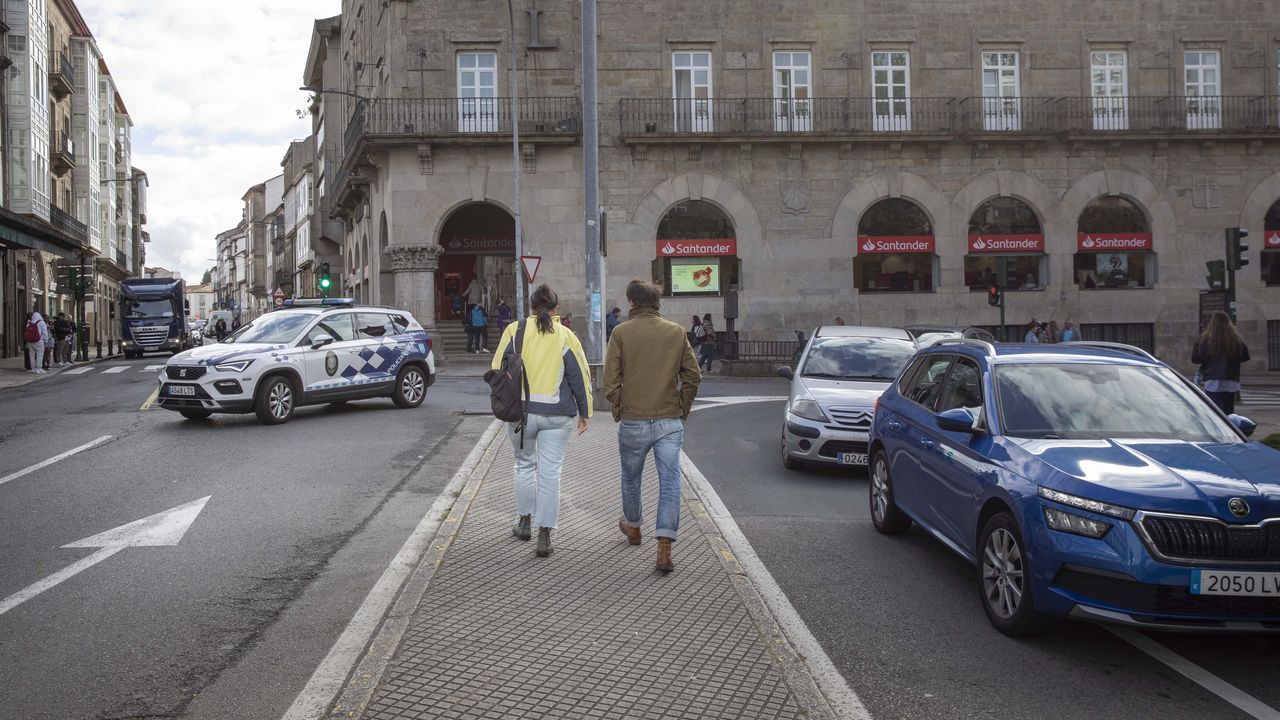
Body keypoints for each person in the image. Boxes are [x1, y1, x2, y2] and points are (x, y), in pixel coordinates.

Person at [605, 279, 702, 573]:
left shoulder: (620, 332)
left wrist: (619, 408)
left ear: (632, 303)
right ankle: (664, 548)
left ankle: (633, 529)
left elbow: (610, 382)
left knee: (631, 479)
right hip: (668, 421)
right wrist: (682, 408)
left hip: (633, 420)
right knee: (670, 482)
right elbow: (693, 376)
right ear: (657, 304)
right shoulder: (675, 332)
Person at [492, 284, 592, 558]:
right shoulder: (565, 335)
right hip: (557, 416)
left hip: (519, 414)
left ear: (532, 307)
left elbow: (495, 369)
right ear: (556, 309)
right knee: (550, 474)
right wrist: (585, 412)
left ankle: (524, 522)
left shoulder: (514, 331)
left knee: (524, 466)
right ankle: (545, 535)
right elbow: (579, 376)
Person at [1192, 311, 1250, 415]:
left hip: (1212, 378)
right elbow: (1245, 356)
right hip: (1230, 378)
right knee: (1228, 412)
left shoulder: (1205, 339)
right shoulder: (1235, 338)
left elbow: (1195, 358)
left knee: (1215, 411)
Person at [24, 310, 49, 374]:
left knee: (31, 355)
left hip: (30, 342)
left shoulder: (29, 323)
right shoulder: (41, 322)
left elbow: (26, 333)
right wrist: (46, 340)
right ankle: (39, 368)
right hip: (39, 341)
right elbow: (45, 333)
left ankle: (33, 368)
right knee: (39, 355)